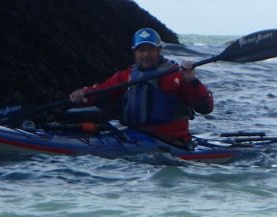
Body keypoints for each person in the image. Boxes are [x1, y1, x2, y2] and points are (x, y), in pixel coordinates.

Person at [69, 28, 214, 147]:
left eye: (150, 49)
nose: (145, 54)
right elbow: (102, 91)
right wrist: (84, 94)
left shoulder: (176, 76)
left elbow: (205, 108)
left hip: (169, 141)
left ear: (159, 50)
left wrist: (192, 81)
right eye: (141, 50)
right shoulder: (126, 76)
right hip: (135, 136)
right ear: (134, 52)